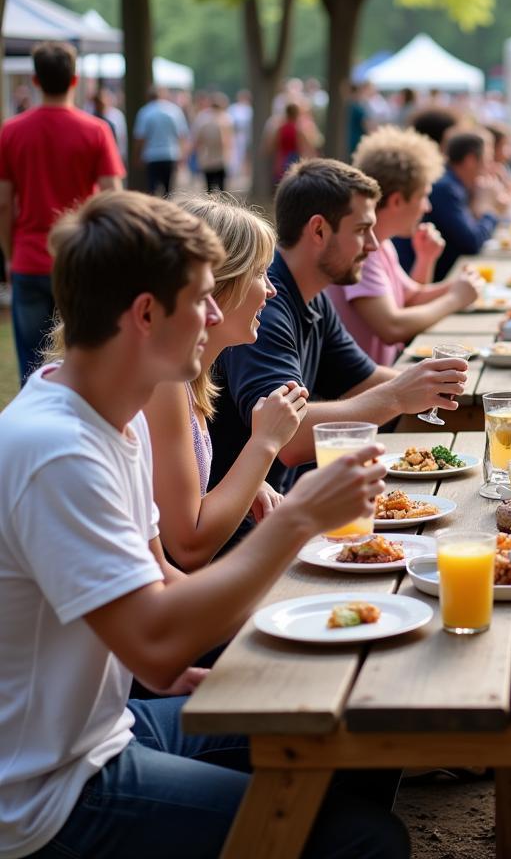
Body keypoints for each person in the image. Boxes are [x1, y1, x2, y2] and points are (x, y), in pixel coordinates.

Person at [0, 190, 408, 859]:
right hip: (51, 792)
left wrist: (196, 663)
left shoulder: (109, 420)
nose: (216, 312)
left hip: (109, 728)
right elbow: (157, 639)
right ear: (145, 313)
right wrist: (300, 519)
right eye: (202, 298)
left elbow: (160, 582)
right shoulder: (59, 450)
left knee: (356, 723)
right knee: (366, 843)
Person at [208, 157, 469, 498]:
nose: (374, 245)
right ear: (318, 230)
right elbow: (291, 437)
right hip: (247, 524)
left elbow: (364, 378)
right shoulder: (264, 306)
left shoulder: (312, 294)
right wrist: (397, 395)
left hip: (284, 503)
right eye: (362, 230)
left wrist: (442, 384)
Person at [143, 196, 308, 570]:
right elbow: (188, 546)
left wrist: (251, 485)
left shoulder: (191, 376)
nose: (271, 290)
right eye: (259, 273)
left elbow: (182, 497)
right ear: (218, 284)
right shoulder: (163, 380)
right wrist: (265, 442)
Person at [0, 41, 124, 382]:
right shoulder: (96, 130)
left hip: (29, 258)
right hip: (81, 257)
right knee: (83, 355)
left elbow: (3, 203)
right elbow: (114, 197)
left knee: (31, 363)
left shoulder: (11, 131)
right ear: (74, 80)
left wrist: (10, 256)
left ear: (36, 81)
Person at [326, 126, 482, 365]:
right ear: (397, 200)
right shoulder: (361, 249)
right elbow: (393, 326)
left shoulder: (382, 242)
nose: (427, 207)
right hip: (363, 392)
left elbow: (410, 298)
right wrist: (455, 298)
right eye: (423, 196)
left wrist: (429, 262)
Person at [394, 130, 503, 281]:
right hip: (420, 278)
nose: (491, 166)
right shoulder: (446, 188)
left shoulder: (453, 183)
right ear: (471, 160)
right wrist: (488, 210)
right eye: (487, 159)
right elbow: (471, 243)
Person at [133, 86, 189, 196]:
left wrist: (136, 155)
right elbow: (182, 135)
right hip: (171, 154)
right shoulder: (174, 110)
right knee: (169, 190)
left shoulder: (145, 111)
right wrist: (183, 155)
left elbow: (140, 137)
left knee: (152, 188)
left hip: (151, 155)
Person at [192, 92, 234, 194]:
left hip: (207, 159)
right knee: (222, 189)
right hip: (221, 159)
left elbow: (197, 140)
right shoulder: (226, 119)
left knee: (209, 189)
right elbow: (227, 142)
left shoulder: (202, 118)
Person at [227, 89, 253, 185]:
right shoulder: (233, 108)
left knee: (245, 154)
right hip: (235, 135)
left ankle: (245, 173)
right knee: (235, 154)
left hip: (246, 135)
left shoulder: (250, 109)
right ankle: (233, 172)